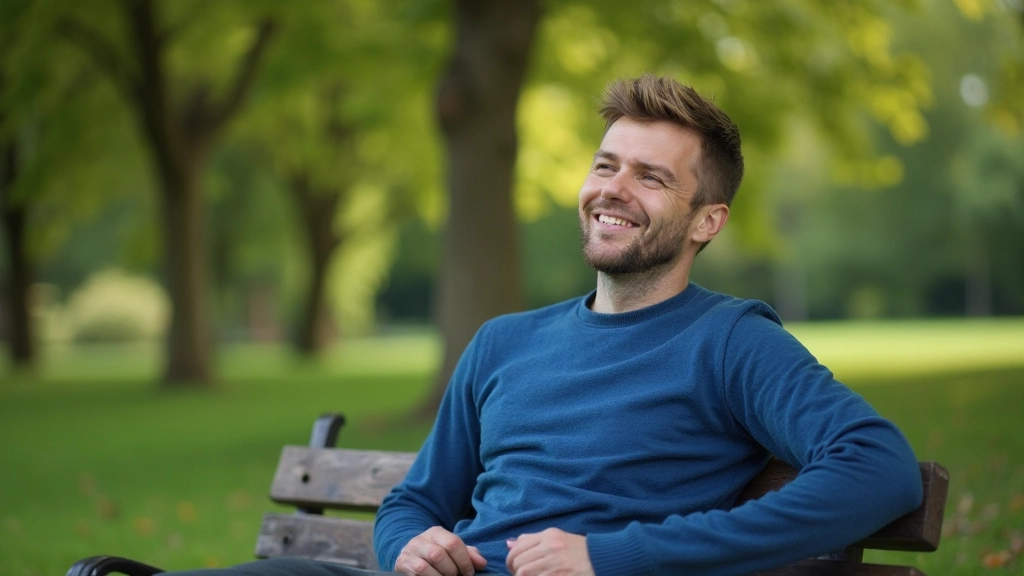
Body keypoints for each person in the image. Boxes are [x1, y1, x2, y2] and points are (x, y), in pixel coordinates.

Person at [162, 74, 922, 576]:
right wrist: (409, 547)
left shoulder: (731, 341)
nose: (613, 189)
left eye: (651, 177)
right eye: (606, 164)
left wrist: (612, 558)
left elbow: (877, 467)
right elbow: (413, 502)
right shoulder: (503, 343)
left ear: (707, 221)